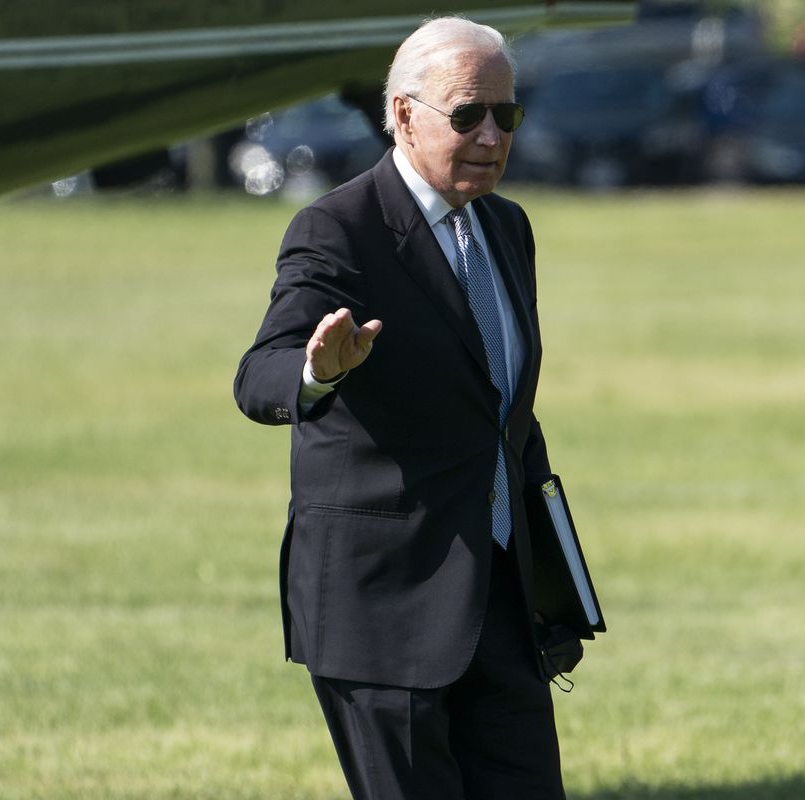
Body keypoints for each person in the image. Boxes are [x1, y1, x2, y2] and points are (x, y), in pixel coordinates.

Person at [235, 16, 571, 799]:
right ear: (403, 113)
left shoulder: (507, 228)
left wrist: (552, 577)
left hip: (501, 604)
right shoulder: (338, 230)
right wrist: (318, 372)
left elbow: (502, 413)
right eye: (468, 115)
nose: (492, 135)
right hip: (388, 615)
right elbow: (260, 375)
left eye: (506, 115)